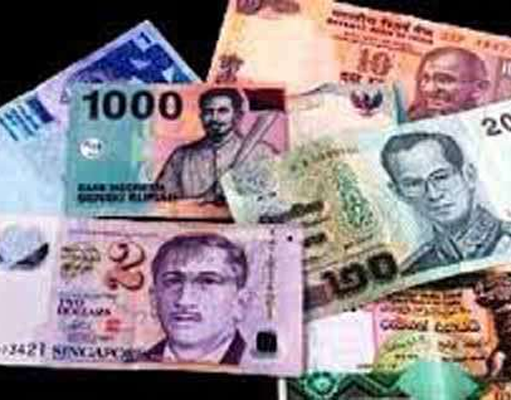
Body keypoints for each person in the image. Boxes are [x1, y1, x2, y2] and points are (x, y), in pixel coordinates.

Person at [380, 131, 511, 275]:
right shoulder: (413, 270)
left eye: (441, 177)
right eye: (414, 184)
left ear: (469, 175)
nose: (433, 194)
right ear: (398, 193)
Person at [142, 233, 250, 365]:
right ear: (153, 300)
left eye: (208, 281)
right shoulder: (136, 363)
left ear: (240, 302)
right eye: (173, 281)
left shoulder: (259, 367)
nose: (184, 300)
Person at [155, 88, 277, 203]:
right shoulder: (181, 156)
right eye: (208, 112)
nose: (214, 118)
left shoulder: (262, 152)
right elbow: (159, 200)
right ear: (201, 117)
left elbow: (273, 200)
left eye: (222, 111)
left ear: (237, 116)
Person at [407, 47, 490, 121]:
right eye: (425, 78)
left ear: (479, 88)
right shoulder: (415, 117)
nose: (428, 89)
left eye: (443, 80)